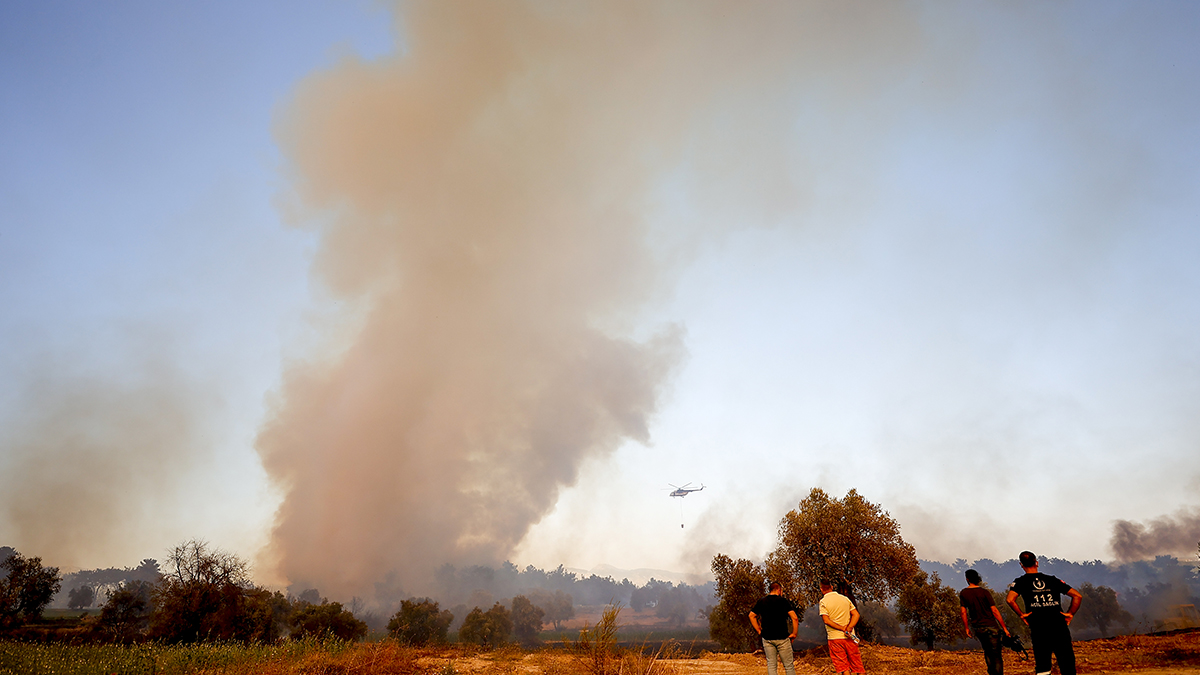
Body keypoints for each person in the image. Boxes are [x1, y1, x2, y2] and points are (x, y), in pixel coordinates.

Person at [1006, 551, 1083, 675]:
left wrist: (1021, 614)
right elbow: (1077, 596)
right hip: (1059, 626)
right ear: (1036, 563)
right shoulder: (1052, 580)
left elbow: (1010, 599)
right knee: (1067, 663)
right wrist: (1070, 614)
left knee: (1043, 665)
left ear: (1021, 565)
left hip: (1039, 628)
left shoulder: (1020, 582)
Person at [960, 568, 1011, 675]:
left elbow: (963, 612)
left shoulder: (964, 593)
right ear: (978, 579)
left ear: (967, 579)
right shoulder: (985, 592)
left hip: (978, 628)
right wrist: (1004, 628)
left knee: (987, 652)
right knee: (996, 655)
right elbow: (994, 611)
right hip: (992, 626)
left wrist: (966, 628)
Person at [749, 582, 799, 675]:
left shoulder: (762, 601)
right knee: (788, 666)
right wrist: (794, 633)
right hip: (782, 638)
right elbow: (795, 618)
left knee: (771, 664)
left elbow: (751, 615)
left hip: (767, 638)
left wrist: (759, 630)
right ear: (779, 590)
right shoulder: (783, 601)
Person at [819, 579, 865, 674]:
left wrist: (841, 628)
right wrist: (849, 627)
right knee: (857, 664)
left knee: (843, 667)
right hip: (850, 636)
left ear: (821, 589)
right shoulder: (845, 599)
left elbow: (826, 620)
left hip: (835, 638)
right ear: (831, 587)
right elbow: (856, 615)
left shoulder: (823, 602)